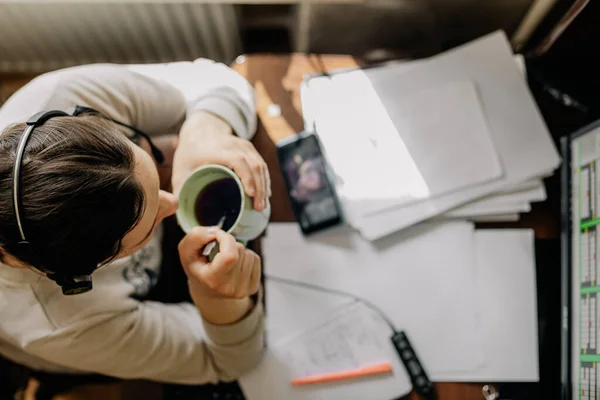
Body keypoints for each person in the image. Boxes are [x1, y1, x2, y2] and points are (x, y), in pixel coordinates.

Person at [0, 59, 270, 393]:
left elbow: (218, 78)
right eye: (144, 227)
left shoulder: (56, 97)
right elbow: (228, 361)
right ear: (85, 273)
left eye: (138, 149)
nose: (172, 202)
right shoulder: (60, 325)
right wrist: (218, 299)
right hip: (122, 323)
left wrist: (204, 130)